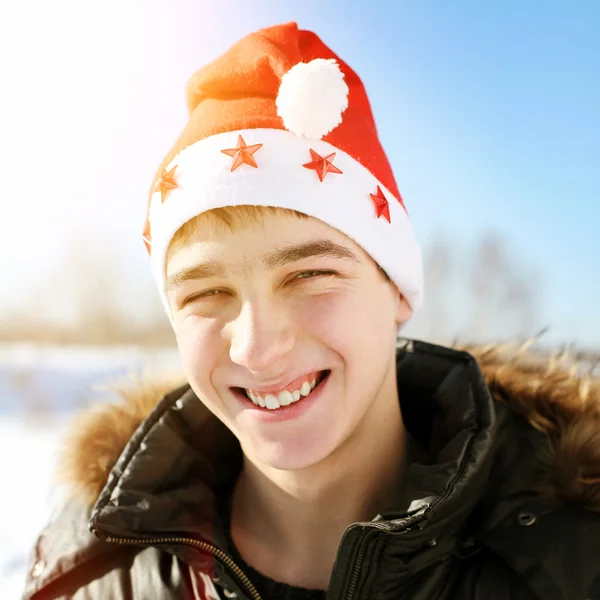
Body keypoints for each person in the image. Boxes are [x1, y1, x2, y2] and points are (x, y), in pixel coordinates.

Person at [23, 22, 600, 600]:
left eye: (308, 276)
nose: (256, 347)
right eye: (205, 294)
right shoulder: (99, 573)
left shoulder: (570, 559)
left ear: (397, 288)